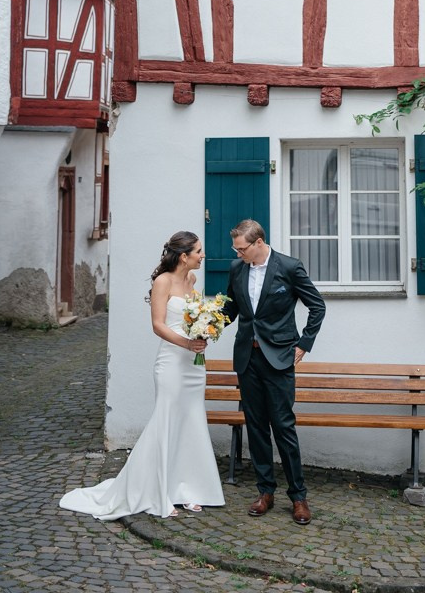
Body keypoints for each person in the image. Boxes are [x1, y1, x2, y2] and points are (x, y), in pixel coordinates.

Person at [59, 232, 225, 520]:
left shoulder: (192, 281)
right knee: (167, 422)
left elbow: (194, 318)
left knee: (191, 423)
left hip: (194, 365)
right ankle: (158, 491)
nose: (203, 255)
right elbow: (158, 326)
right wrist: (187, 342)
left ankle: (187, 488)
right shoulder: (163, 281)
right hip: (172, 362)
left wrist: (204, 331)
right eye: (198, 251)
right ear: (184, 255)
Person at [225, 219, 325, 524]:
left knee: (283, 426)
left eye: (241, 248)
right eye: (235, 248)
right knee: (255, 427)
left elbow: (317, 305)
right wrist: (206, 325)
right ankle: (265, 491)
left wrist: (304, 344)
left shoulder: (289, 267)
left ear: (258, 243)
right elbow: (231, 310)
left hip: (279, 359)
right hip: (247, 359)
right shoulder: (236, 268)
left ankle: (298, 496)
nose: (237, 252)